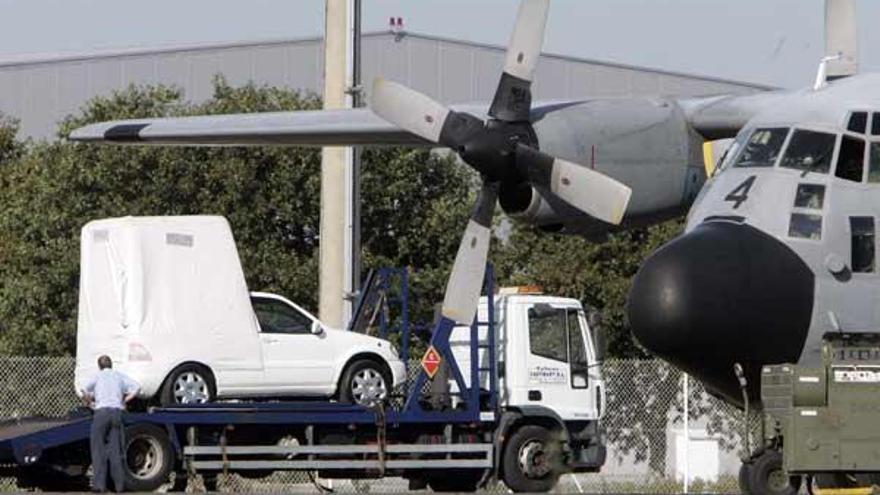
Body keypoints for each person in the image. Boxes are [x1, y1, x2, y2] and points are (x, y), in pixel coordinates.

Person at [81, 355, 140, 493]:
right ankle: (119, 486)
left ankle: (100, 486)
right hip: (116, 413)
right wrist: (125, 400)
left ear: (99, 366)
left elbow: (84, 390)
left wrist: (90, 402)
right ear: (111, 364)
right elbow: (136, 387)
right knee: (116, 450)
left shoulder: (97, 376)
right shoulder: (119, 376)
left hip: (101, 413)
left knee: (98, 450)